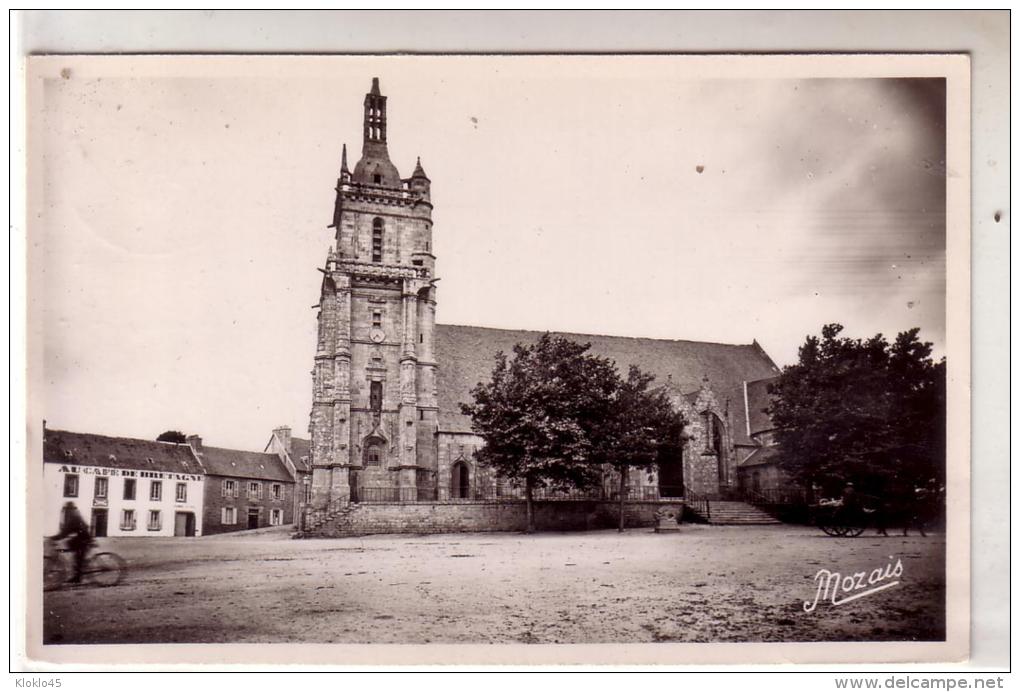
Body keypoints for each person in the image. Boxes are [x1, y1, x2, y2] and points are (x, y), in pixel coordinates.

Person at [49, 501, 93, 583]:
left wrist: (55, 538)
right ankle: (77, 575)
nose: (66, 511)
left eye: (66, 509)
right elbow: (67, 531)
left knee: (78, 558)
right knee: (75, 553)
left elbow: (66, 532)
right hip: (82, 539)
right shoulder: (74, 515)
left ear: (70, 509)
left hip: (84, 540)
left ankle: (78, 577)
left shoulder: (74, 517)